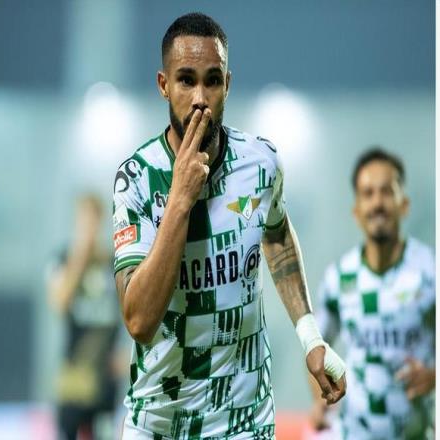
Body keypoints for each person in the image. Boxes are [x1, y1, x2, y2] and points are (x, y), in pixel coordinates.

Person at [113, 12, 346, 439]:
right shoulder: (137, 179)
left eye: (213, 81)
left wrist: (310, 336)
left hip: (244, 420)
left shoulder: (261, 163)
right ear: (163, 85)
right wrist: (180, 200)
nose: (200, 98)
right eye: (186, 80)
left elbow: (277, 234)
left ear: (228, 84)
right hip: (159, 420)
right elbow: (140, 321)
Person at [310, 148, 435, 439]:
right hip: (354, 432)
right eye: (368, 193)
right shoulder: (339, 278)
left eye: (387, 192)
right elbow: (314, 346)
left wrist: (435, 377)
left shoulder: (430, 271)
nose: (377, 203)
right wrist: (321, 401)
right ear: (356, 211)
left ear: (404, 205)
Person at [47, 194, 120, 440]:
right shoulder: (62, 260)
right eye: (84, 221)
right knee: (69, 431)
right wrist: (80, 258)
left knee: (102, 432)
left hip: (105, 370)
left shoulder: (112, 263)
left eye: (93, 221)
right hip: (74, 371)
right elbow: (59, 303)